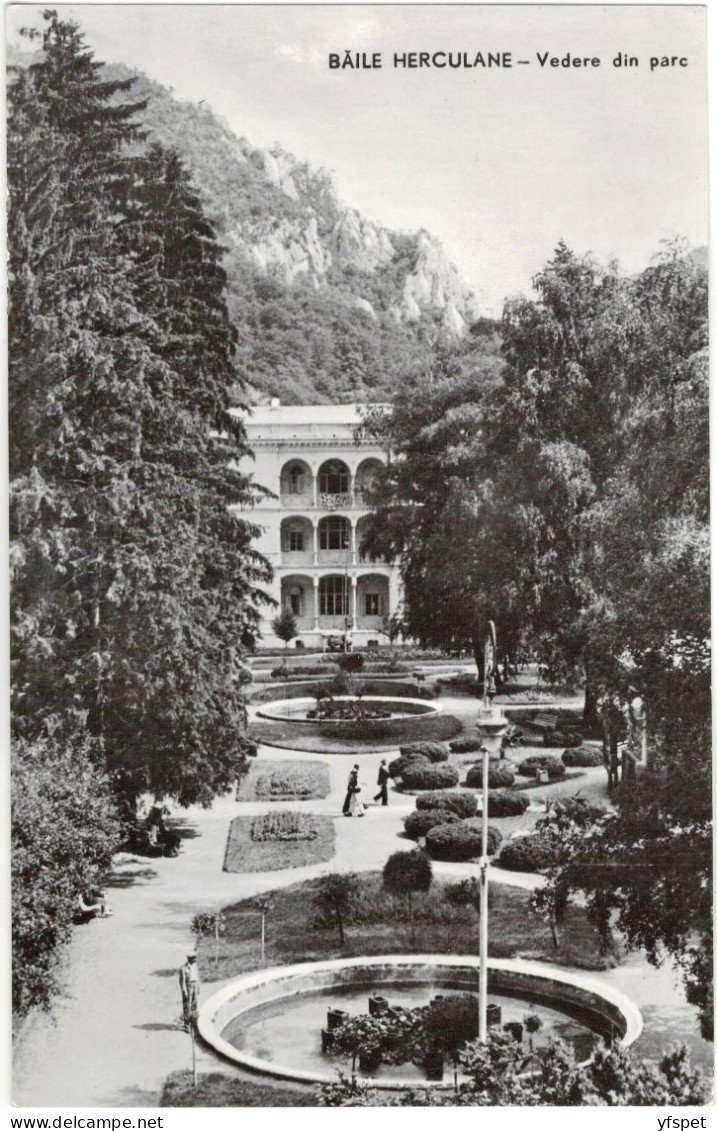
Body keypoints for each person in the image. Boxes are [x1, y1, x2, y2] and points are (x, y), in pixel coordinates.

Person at [179, 952, 200, 1031]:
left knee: (194, 1004)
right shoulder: (183, 968)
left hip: (195, 986)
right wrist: (184, 991)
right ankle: (187, 1024)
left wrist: (198, 987)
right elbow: (182, 981)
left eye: (195, 957)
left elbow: (197, 977)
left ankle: (193, 1022)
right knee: (187, 1006)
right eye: (193, 958)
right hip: (188, 987)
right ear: (189, 958)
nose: (195, 959)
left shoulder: (195, 966)